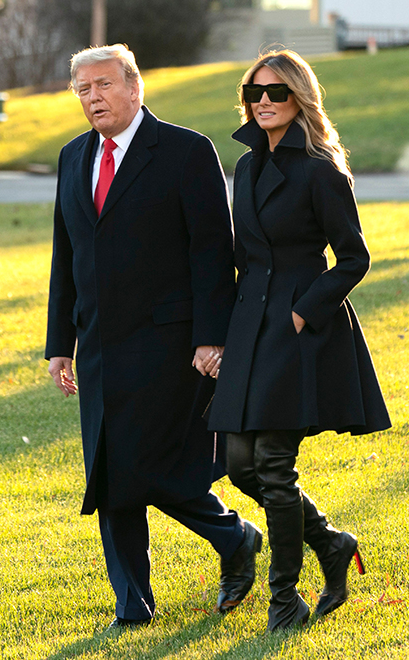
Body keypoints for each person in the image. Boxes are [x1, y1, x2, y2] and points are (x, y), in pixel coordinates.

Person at [44, 44, 262, 630]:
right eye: (83, 89)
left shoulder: (187, 151)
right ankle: (132, 603)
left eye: (104, 85)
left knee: (155, 462)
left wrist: (210, 337)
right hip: (99, 346)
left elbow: (212, 253)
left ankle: (235, 536)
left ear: (135, 87)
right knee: (111, 470)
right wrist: (59, 344)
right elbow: (66, 257)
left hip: (172, 344)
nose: (94, 98)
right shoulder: (72, 158)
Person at [207, 50, 392, 631]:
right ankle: (331, 543)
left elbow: (354, 258)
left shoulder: (319, 169)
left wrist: (302, 311)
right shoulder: (249, 165)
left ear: (299, 98)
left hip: (297, 329)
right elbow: (241, 257)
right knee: (240, 466)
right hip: (249, 326)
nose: (263, 101)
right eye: (253, 92)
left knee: (273, 464)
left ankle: (284, 598)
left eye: (275, 93)